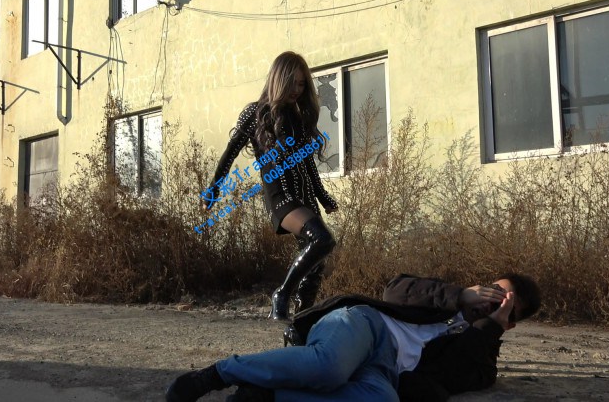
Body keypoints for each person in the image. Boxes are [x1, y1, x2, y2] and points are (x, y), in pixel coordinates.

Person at [165, 272, 542, 402]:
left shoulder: (482, 360)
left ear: (510, 323)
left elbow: (450, 378)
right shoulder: (446, 295)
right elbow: (395, 288)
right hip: (365, 325)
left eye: (503, 303)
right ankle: (216, 374)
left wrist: (489, 326)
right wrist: (459, 296)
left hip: (384, 368)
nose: (491, 299)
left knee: (382, 399)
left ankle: (263, 396)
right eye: (494, 290)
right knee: (330, 368)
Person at [201, 51, 339, 321]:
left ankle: (302, 321)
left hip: (305, 196)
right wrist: (213, 190)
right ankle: (282, 295)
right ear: (279, 80)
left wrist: (322, 196)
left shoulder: (299, 117)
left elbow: (307, 163)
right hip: (281, 196)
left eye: (302, 84)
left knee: (315, 268)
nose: (297, 90)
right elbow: (230, 153)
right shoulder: (255, 113)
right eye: (292, 83)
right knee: (323, 239)